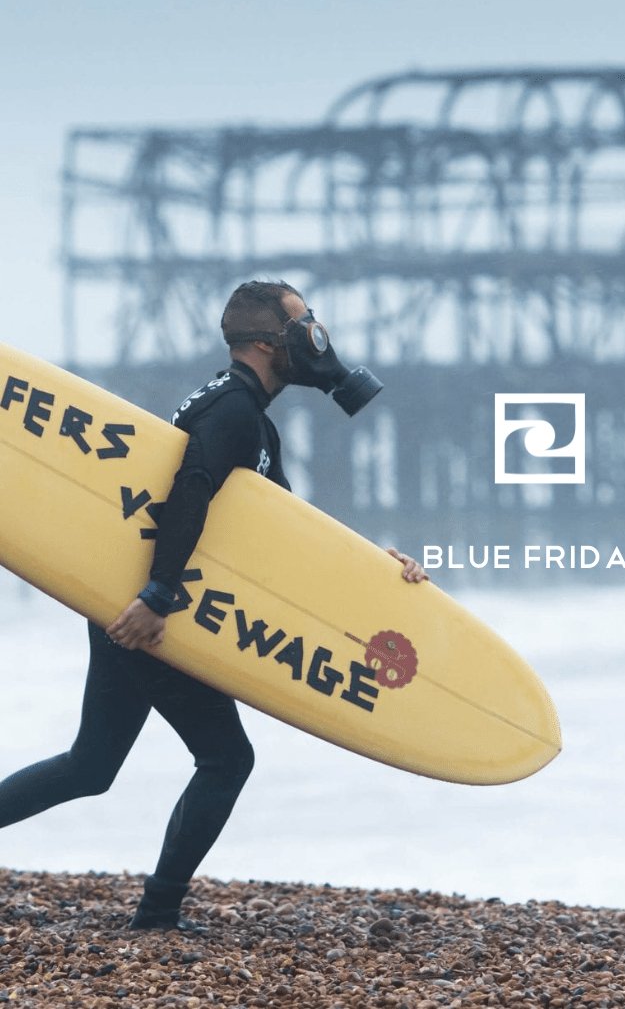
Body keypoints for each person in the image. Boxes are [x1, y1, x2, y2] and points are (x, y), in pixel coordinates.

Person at [0, 280, 427, 930]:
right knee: (227, 759)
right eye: (301, 324)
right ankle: (158, 912)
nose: (315, 335)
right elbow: (188, 493)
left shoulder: (248, 417)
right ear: (265, 343)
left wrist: (379, 569)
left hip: (138, 604)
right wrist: (157, 596)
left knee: (90, 765)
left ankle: (158, 909)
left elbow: (292, 538)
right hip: (156, 611)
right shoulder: (231, 411)